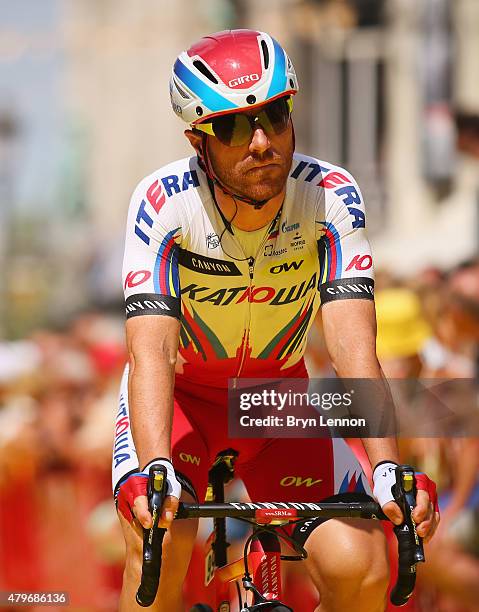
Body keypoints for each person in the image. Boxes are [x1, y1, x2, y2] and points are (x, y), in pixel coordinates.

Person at [112, 30, 439, 611]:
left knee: (362, 568)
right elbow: (152, 354)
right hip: (183, 401)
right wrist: (155, 463)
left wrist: (388, 467)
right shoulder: (164, 201)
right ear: (198, 139)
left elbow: (353, 351)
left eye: (276, 115)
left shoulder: (330, 196)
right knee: (158, 546)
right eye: (235, 127)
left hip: (278, 402)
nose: (261, 142)